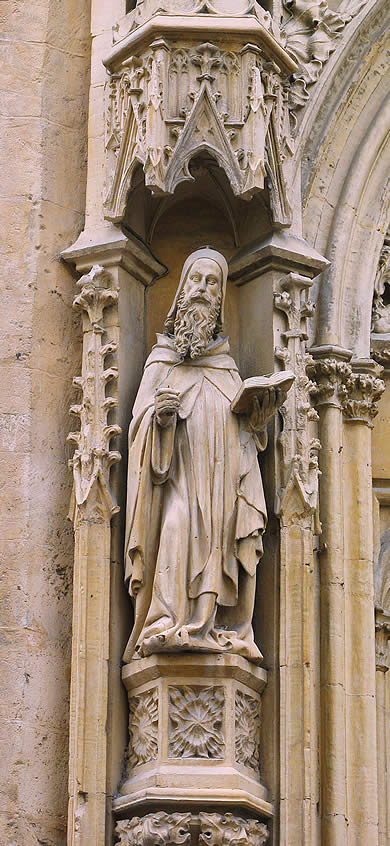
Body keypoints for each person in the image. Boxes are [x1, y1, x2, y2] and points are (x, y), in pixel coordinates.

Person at [123, 247, 279, 664]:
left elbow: (245, 437)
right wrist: (161, 419)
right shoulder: (162, 363)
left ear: (221, 297)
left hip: (223, 488)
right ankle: (163, 625)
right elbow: (136, 432)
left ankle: (212, 626)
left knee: (216, 554)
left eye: (213, 283)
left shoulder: (227, 368)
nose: (203, 290)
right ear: (181, 289)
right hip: (178, 483)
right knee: (174, 532)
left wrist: (257, 421)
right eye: (197, 280)